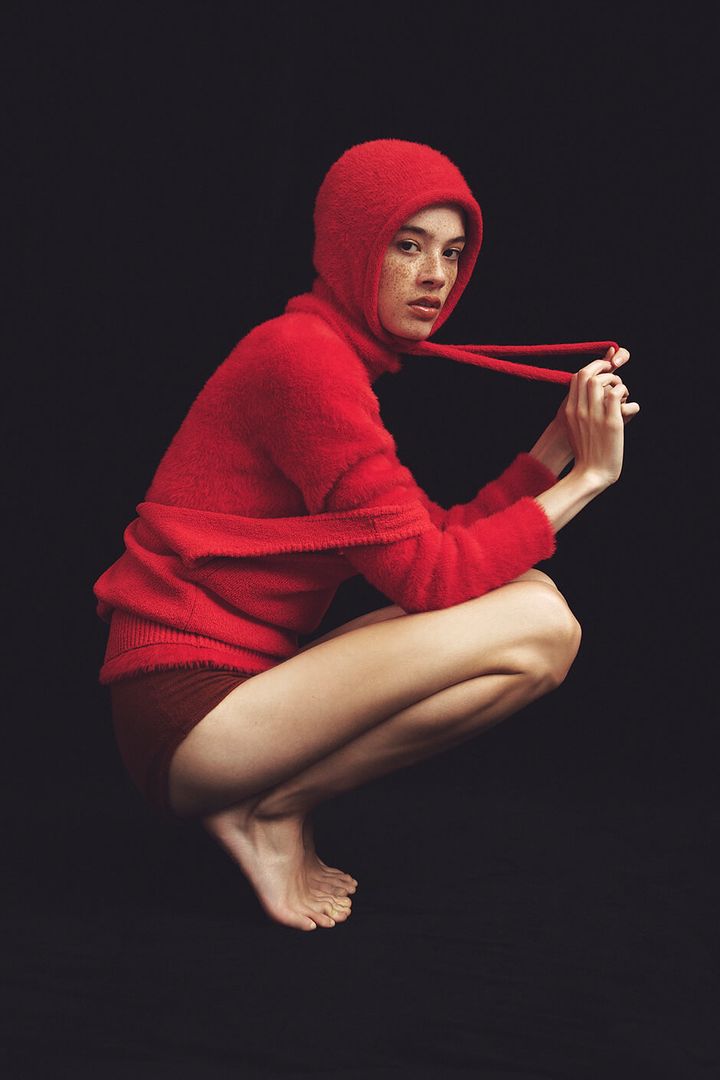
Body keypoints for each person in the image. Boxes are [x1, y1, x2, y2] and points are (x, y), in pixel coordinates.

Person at [94, 139, 639, 932]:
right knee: (540, 619)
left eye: (453, 252)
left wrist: (555, 449)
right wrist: (588, 479)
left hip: (240, 699)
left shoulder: (328, 357)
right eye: (407, 246)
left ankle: (271, 808)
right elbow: (434, 577)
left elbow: (432, 545)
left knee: (531, 602)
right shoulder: (303, 362)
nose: (436, 276)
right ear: (354, 247)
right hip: (188, 719)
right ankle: (272, 811)